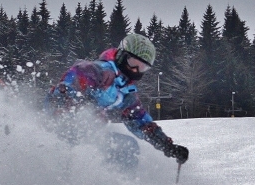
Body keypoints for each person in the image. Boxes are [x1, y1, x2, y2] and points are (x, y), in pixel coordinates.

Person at [44, 33, 188, 170]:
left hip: (87, 133)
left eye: (142, 67)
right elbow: (78, 71)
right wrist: (70, 100)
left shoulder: (126, 92)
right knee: (113, 146)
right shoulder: (99, 71)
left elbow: (142, 123)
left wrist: (168, 147)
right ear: (121, 55)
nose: (136, 70)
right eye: (133, 63)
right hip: (62, 127)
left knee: (127, 147)